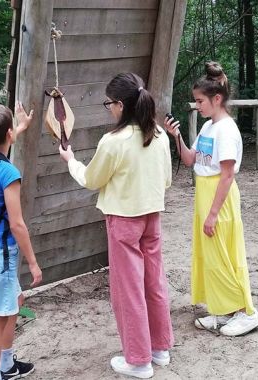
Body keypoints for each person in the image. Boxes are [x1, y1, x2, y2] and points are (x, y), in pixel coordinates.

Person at [59, 73, 174, 379]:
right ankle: (159, 348)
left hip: (124, 221)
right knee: (153, 282)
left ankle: (138, 360)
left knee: (129, 289)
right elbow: (167, 180)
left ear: (121, 105)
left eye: (108, 103)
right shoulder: (160, 135)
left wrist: (71, 160)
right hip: (152, 216)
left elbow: (91, 180)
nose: (107, 107)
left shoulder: (113, 142)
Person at [164, 61, 258, 336]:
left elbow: (227, 175)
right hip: (204, 193)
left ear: (216, 98)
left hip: (220, 196)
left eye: (200, 101)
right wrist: (177, 136)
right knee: (210, 255)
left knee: (225, 254)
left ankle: (247, 312)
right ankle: (223, 310)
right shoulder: (208, 128)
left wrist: (213, 213)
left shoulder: (227, 130)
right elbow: (188, 160)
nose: (197, 106)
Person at [0, 102, 42, 380]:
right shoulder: (8, 173)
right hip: (0, 253)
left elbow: (0, 146)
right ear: (8, 134)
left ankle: (6, 365)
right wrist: (34, 263)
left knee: (14, 300)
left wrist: (20, 128)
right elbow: (17, 223)